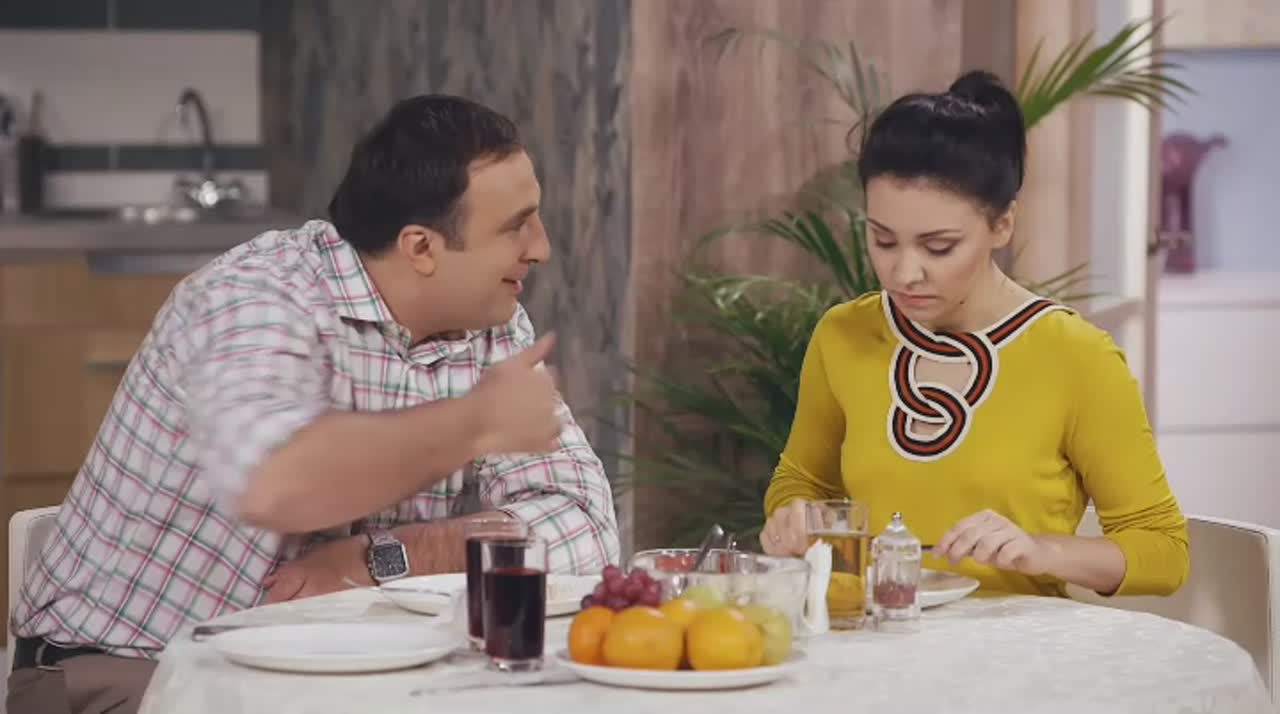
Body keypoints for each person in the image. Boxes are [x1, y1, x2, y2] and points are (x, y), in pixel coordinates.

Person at [7, 95, 620, 713]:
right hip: (137, 671)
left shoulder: (488, 324)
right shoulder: (256, 297)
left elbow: (584, 527)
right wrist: (477, 421)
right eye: (517, 225)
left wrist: (388, 556)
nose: (541, 248)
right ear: (421, 248)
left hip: (346, 682)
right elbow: (274, 484)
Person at [759, 70, 1189, 599]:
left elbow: (1164, 550)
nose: (904, 273)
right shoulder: (843, 335)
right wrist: (793, 515)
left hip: (1018, 646)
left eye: (938, 247)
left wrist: (1044, 551)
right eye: (883, 240)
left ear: (1002, 224)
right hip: (871, 635)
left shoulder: (1076, 356)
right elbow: (801, 480)